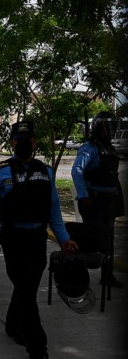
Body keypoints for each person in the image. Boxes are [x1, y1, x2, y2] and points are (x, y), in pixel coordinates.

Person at [0, 121, 78, 359]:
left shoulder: (45, 171)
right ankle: (39, 353)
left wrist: (64, 238)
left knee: (27, 288)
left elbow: (54, 211)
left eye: (28, 140)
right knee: (26, 293)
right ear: (13, 143)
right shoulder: (1, 172)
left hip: (37, 239)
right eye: (18, 141)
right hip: (13, 240)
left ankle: (12, 325)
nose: (24, 145)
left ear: (35, 142)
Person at [72, 111, 124, 288]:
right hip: (93, 201)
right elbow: (76, 171)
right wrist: (84, 195)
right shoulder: (89, 148)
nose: (110, 130)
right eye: (106, 126)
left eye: (112, 125)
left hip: (109, 200)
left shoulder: (109, 148)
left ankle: (107, 276)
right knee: (89, 240)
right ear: (97, 127)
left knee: (108, 239)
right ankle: (79, 277)